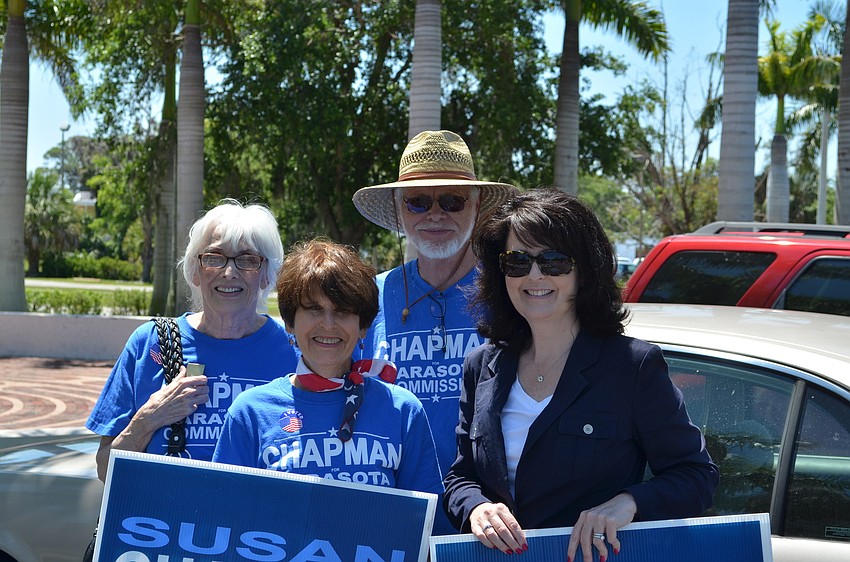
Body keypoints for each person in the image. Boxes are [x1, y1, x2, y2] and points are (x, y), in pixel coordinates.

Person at [443, 188, 719, 562]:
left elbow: (696, 477)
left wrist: (629, 502)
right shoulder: (481, 366)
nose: (535, 274)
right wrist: (476, 508)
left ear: (584, 269)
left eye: (554, 261)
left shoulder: (633, 366)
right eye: (517, 261)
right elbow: (461, 478)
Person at [352, 131, 517, 532]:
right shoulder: (366, 296)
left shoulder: (512, 293)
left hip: (490, 525)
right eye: (418, 201)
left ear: (476, 206)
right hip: (389, 521)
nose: (435, 214)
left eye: (453, 200)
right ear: (399, 207)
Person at [212, 238, 443, 500]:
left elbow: (424, 520)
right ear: (289, 322)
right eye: (314, 309)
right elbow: (225, 514)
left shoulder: (402, 410)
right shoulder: (250, 413)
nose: (329, 324)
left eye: (343, 311)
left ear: (363, 326)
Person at [86, 199, 298, 481]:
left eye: (247, 259)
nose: (229, 272)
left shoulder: (293, 350)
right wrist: (150, 417)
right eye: (214, 257)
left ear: (266, 275)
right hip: (165, 522)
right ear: (195, 271)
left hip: (254, 523)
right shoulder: (150, 343)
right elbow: (104, 469)